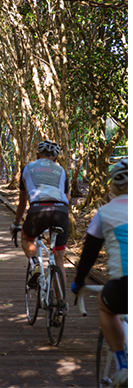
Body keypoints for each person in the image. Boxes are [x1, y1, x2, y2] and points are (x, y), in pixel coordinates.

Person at [71, 159, 128, 388]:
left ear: (113, 185)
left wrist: (78, 282)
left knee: (105, 305)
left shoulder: (105, 213)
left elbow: (88, 255)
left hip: (122, 287)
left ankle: (123, 365)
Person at [9, 140, 70, 311]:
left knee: (26, 237)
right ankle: (60, 305)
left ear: (37, 155)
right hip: (61, 212)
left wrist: (15, 224)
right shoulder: (62, 171)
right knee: (59, 259)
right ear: (56, 157)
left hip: (38, 211)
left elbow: (22, 204)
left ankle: (35, 263)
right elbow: (65, 197)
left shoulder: (28, 168)